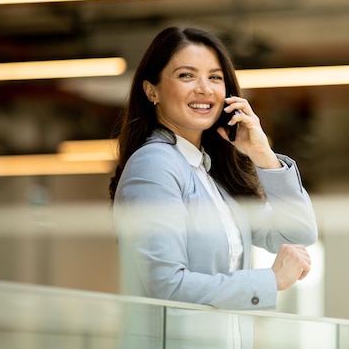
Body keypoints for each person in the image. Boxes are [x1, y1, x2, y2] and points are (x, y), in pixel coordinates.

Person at [109, 26, 318, 311]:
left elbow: (298, 233)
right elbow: (166, 285)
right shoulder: (154, 165)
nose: (205, 88)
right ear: (151, 90)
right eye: (186, 75)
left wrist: (262, 154)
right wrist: (269, 281)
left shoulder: (211, 172)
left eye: (215, 77)